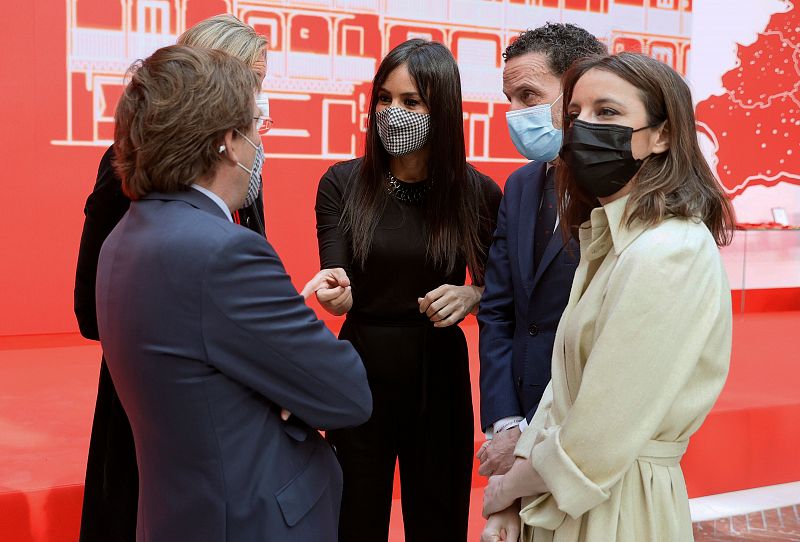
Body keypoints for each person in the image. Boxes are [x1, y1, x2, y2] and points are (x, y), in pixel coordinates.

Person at [96, 44, 372, 542]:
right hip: (252, 519)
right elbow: (347, 393)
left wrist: (271, 383)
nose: (258, 142)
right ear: (227, 142)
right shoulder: (224, 252)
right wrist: (282, 386)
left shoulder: (125, 236)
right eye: (254, 126)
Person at [481, 52, 736, 542]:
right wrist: (516, 490)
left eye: (608, 112)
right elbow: (562, 392)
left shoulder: (669, 251)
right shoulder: (613, 241)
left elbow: (596, 435)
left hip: (618, 508)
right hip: (563, 497)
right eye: (575, 114)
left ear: (661, 135)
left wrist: (505, 490)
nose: (584, 128)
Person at [73, 15, 270, 541]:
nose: (254, 100)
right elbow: (91, 309)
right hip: (151, 403)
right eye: (245, 81)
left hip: (229, 415)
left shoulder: (245, 165)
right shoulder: (125, 167)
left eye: (258, 83)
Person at [302, 39, 502, 541]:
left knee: (438, 516)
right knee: (353, 516)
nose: (393, 113)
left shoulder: (477, 193)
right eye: (384, 99)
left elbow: (500, 288)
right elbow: (335, 273)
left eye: (411, 102)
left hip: (439, 374)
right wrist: (335, 292)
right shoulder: (342, 183)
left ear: (443, 107)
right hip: (361, 369)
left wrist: (472, 295)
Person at [477, 23, 606, 478]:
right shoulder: (519, 185)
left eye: (528, 97)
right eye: (509, 99)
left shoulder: (621, 191)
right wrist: (506, 423)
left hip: (586, 434)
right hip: (517, 418)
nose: (514, 113)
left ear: (575, 90)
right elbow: (498, 310)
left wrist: (541, 438)